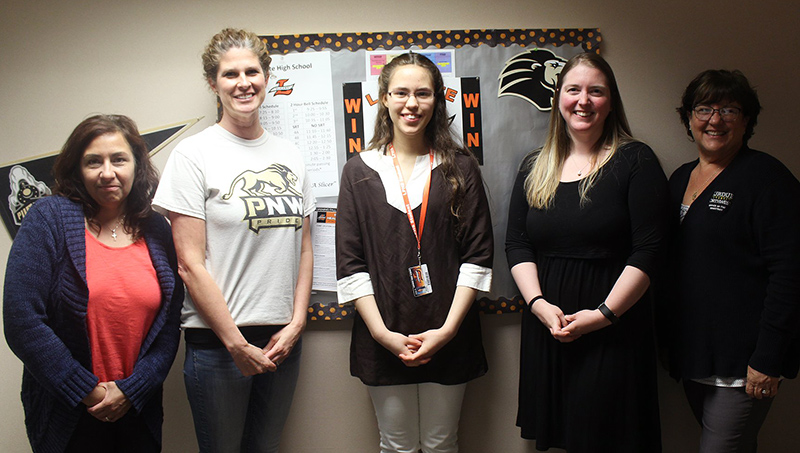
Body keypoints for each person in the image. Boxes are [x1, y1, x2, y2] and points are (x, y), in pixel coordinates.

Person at [152, 28, 315, 453]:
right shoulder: (194, 155)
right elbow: (188, 263)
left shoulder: (291, 155)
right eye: (230, 74)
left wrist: (297, 323)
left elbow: (304, 248)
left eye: (252, 71)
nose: (243, 82)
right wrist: (235, 343)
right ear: (213, 84)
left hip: (283, 343)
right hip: (218, 347)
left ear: (266, 77)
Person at [505, 52, 666, 452]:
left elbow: (649, 249)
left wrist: (602, 316)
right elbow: (517, 243)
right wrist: (538, 304)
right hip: (549, 325)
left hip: (613, 327)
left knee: (609, 437)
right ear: (558, 98)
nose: (583, 100)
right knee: (564, 438)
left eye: (596, 91)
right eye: (573, 89)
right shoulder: (533, 166)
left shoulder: (635, 160)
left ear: (611, 102)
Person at [336, 52, 493, 453]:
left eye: (423, 93)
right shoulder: (359, 170)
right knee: (396, 444)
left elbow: (478, 257)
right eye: (401, 93)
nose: (412, 104)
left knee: (441, 442)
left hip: (449, 331)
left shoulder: (460, 166)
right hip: (383, 334)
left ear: (437, 100)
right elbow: (350, 264)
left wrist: (448, 330)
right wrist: (381, 333)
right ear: (384, 98)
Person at [3, 114, 183, 453]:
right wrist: (88, 391)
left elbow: (169, 325)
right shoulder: (48, 218)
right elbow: (21, 320)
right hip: (69, 408)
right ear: (77, 169)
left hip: (137, 408)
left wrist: (133, 390)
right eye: (93, 162)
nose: (107, 173)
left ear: (137, 165)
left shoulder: (158, 229)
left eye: (119, 159)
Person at [663, 69, 800, 452]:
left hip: (745, 364)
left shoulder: (767, 179)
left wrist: (768, 358)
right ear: (688, 118)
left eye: (729, 110)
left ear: (747, 120)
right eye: (704, 108)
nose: (715, 120)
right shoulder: (679, 179)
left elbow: (790, 275)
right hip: (695, 356)